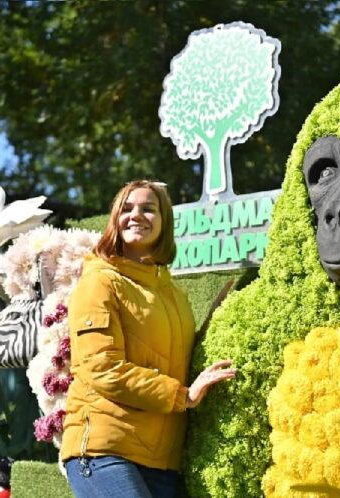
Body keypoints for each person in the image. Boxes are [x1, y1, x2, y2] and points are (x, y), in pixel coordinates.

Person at [60, 180, 236, 498]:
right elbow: (101, 369)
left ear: (163, 222)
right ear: (115, 220)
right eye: (127, 209)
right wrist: (182, 396)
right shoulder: (99, 283)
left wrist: (223, 318)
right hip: (105, 451)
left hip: (161, 462)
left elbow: (178, 355)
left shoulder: (174, 295)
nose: (136, 215)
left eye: (148, 209)